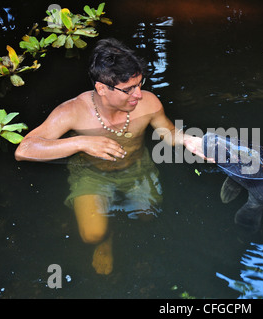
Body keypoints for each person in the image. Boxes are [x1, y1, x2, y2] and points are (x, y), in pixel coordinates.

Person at [15, 38, 204, 275]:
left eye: (140, 83)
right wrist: (81, 142)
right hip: (92, 174)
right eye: (128, 89)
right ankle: (106, 239)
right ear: (102, 88)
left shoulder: (149, 102)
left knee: (148, 216)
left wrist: (192, 141)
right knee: (92, 235)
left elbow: (169, 133)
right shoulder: (72, 111)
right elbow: (25, 150)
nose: (138, 94)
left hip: (137, 168)